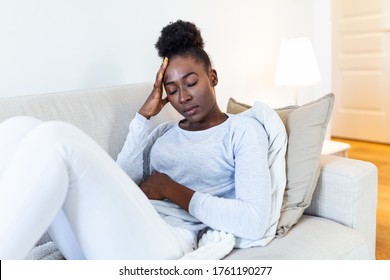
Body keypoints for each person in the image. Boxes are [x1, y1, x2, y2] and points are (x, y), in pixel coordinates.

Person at [0, 20, 271, 260]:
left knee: (57, 138)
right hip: (119, 232)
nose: (183, 97)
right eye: (172, 89)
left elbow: (253, 220)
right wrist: (143, 117)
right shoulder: (163, 133)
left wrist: (170, 188)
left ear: (212, 76)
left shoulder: (242, 131)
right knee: (18, 128)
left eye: (191, 82)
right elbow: (121, 183)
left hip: (168, 240)